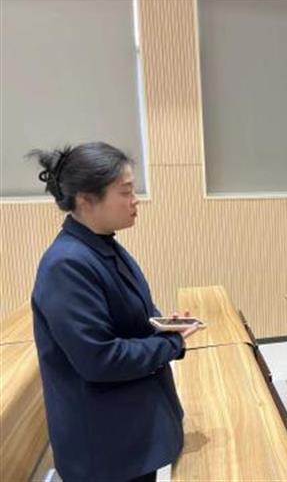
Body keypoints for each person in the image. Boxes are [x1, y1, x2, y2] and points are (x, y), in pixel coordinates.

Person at [30, 142, 199, 482]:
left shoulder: (101, 244)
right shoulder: (67, 264)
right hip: (104, 445)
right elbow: (100, 359)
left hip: (127, 426)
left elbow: (134, 313)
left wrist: (165, 326)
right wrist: (171, 343)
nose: (136, 200)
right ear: (86, 200)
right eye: (125, 191)